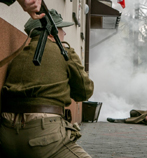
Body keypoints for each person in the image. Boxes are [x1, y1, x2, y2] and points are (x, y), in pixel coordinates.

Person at [0, 9, 94, 158]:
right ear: (51, 33)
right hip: (43, 134)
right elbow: (85, 92)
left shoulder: (18, 56)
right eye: (61, 29)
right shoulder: (64, 52)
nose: (64, 34)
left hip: (5, 135)